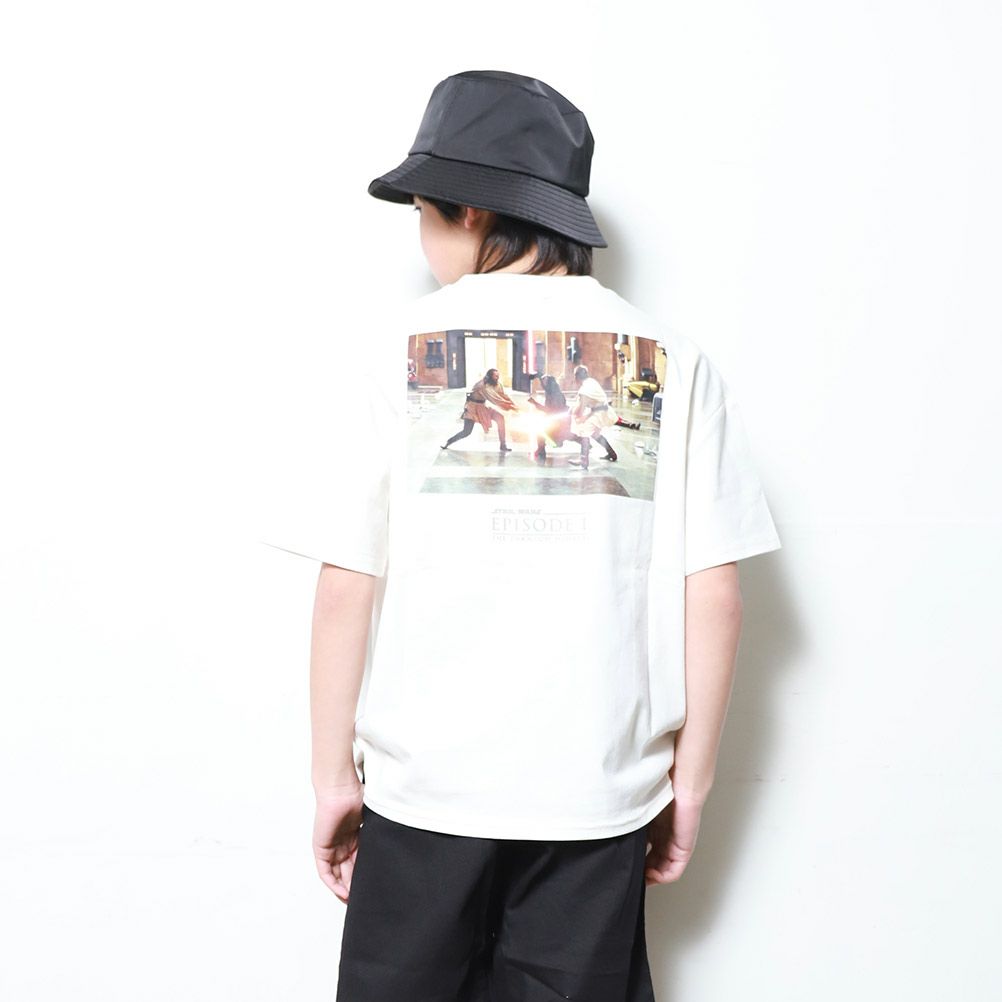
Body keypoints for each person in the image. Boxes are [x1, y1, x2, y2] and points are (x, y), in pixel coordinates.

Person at [263, 70, 782, 1002]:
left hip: (426, 792)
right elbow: (717, 594)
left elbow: (347, 581)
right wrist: (691, 786)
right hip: (597, 795)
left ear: (467, 210)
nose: (422, 240)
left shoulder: (391, 349)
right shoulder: (673, 359)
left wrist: (332, 776)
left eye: (422, 214)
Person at [442, 367, 517, 452]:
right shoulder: (482, 385)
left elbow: (503, 395)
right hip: (472, 408)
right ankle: (448, 442)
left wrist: (513, 404)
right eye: (495, 376)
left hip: (482, 407)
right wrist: (508, 406)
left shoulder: (497, 384)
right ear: (490, 376)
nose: (497, 377)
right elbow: (493, 399)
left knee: (500, 418)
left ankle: (503, 445)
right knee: (466, 432)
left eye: (498, 376)